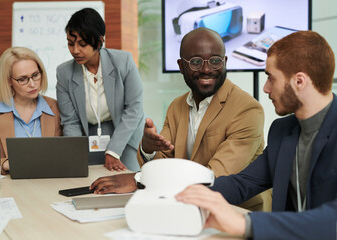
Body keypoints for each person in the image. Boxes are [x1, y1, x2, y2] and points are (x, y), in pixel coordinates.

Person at [175, 30, 337, 240]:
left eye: (271, 78)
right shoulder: (283, 131)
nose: (266, 88)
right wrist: (182, 193)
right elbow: (242, 183)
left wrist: (244, 223)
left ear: (299, 81)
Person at [91, 27, 271, 211]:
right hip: (184, 205)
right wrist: (148, 148)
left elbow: (215, 178)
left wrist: (139, 179)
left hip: (236, 211)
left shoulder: (248, 109)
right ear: (181, 66)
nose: (207, 69)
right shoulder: (177, 106)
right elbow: (163, 163)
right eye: (195, 62)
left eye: (215, 61)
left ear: (225, 62)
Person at [56, 8, 144, 172]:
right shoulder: (64, 73)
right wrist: (75, 155)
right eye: (70, 43)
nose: (75, 50)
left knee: (131, 182)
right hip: (87, 138)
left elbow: (134, 110)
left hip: (125, 134)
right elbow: (70, 122)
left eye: (82, 44)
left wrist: (113, 150)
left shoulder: (123, 62)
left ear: (99, 40)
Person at [0, 47, 62, 174]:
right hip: (9, 186)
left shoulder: (56, 108)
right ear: (8, 81)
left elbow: (65, 154)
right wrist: (5, 164)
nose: (32, 84)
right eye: (22, 79)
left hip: (48, 183)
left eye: (35, 75)